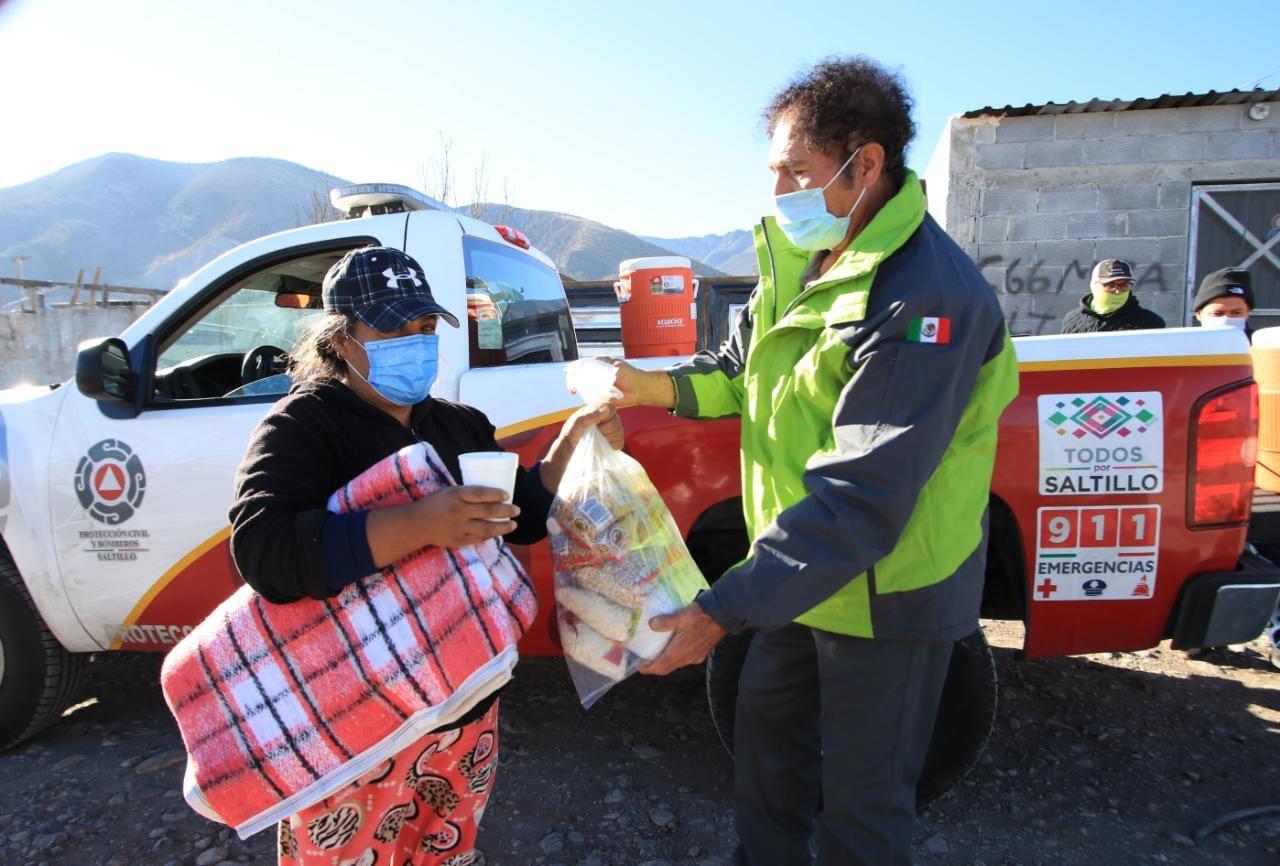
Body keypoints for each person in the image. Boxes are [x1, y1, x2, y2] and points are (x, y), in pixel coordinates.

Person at [611, 57, 1019, 865]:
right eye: (774, 172)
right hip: (800, 578)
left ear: (866, 164)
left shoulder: (926, 296)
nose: (779, 194)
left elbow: (863, 493)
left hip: (888, 592)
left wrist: (719, 611)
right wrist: (643, 385)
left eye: (797, 171)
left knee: (862, 813)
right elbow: (738, 370)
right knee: (766, 771)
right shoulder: (803, 260)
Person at [228, 246, 622, 866]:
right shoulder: (301, 426)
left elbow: (516, 519)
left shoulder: (460, 424)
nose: (415, 341)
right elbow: (266, 553)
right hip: (356, 723)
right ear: (343, 338)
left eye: (425, 327)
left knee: (442, 852)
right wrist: (417, 523)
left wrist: (572, 443)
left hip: (464, 708)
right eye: (392, 327)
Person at [1060, 258, 1166, 333]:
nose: (1118, 291)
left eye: (1124, 285)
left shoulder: (1151, 322)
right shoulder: (1072, 319)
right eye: (1110, 285)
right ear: (1095, 285)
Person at [1194, 266, 1254, 336]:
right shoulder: (1185, 344)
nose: (1227, 319)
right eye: (1218, 313)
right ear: (1199, 314)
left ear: (1248, 312)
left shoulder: (1261, 344)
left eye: (1236, 313)